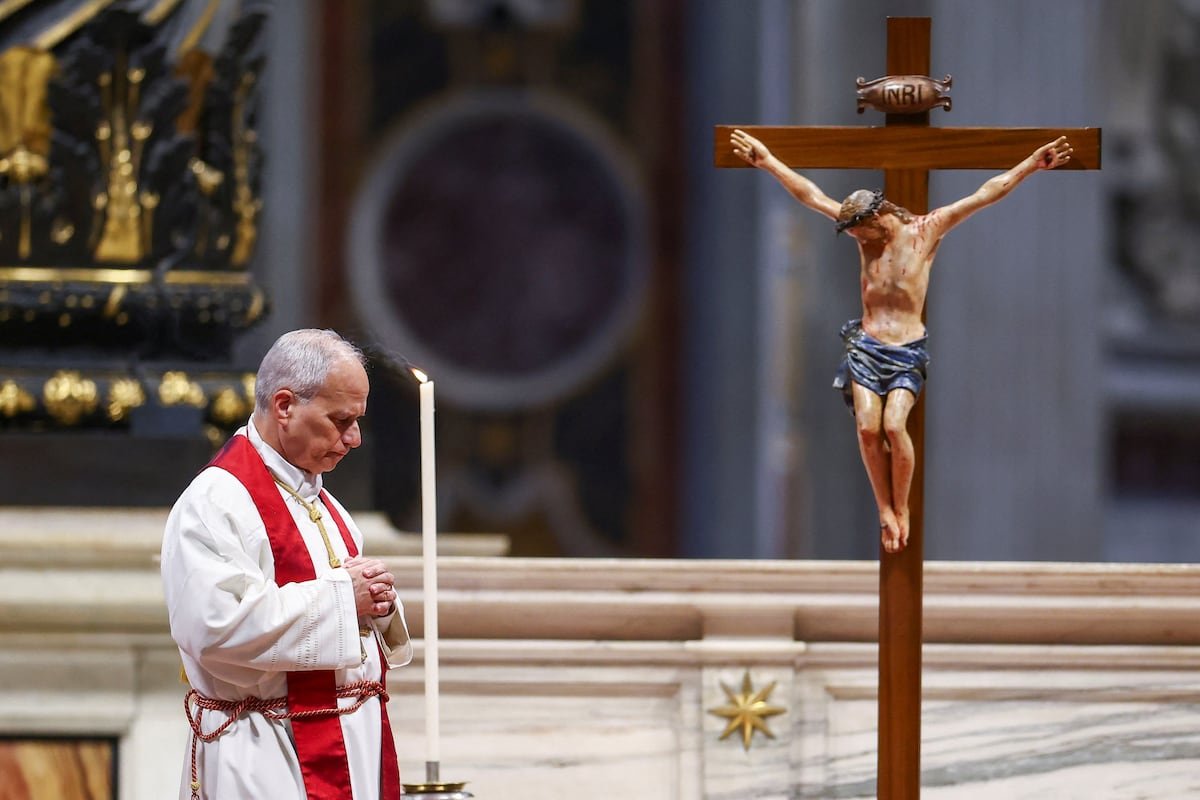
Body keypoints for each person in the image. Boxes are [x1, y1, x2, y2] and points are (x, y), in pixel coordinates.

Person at [730, 128, 1073, 553]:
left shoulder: (926, 231)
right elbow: (811, 196)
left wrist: (1031, 166)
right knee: (867, 429)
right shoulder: (863, 239)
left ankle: (903, 508)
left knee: (894, 425)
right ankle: (884, 510)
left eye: (861, 234)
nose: (858, 242)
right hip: (867, 345)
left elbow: (985, 194)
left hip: (905, 349)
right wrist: (767, 162)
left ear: (876, 219)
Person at [161, 329, 412, 799]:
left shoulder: (320, 500)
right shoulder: (216, 502)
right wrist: (344, 597)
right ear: (284, 406)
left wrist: (377, 605)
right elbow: (215, 629)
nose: (354, 438)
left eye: (358, 420)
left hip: (348, 745)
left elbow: (345, 614)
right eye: (340, 420)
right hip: (264, 751)